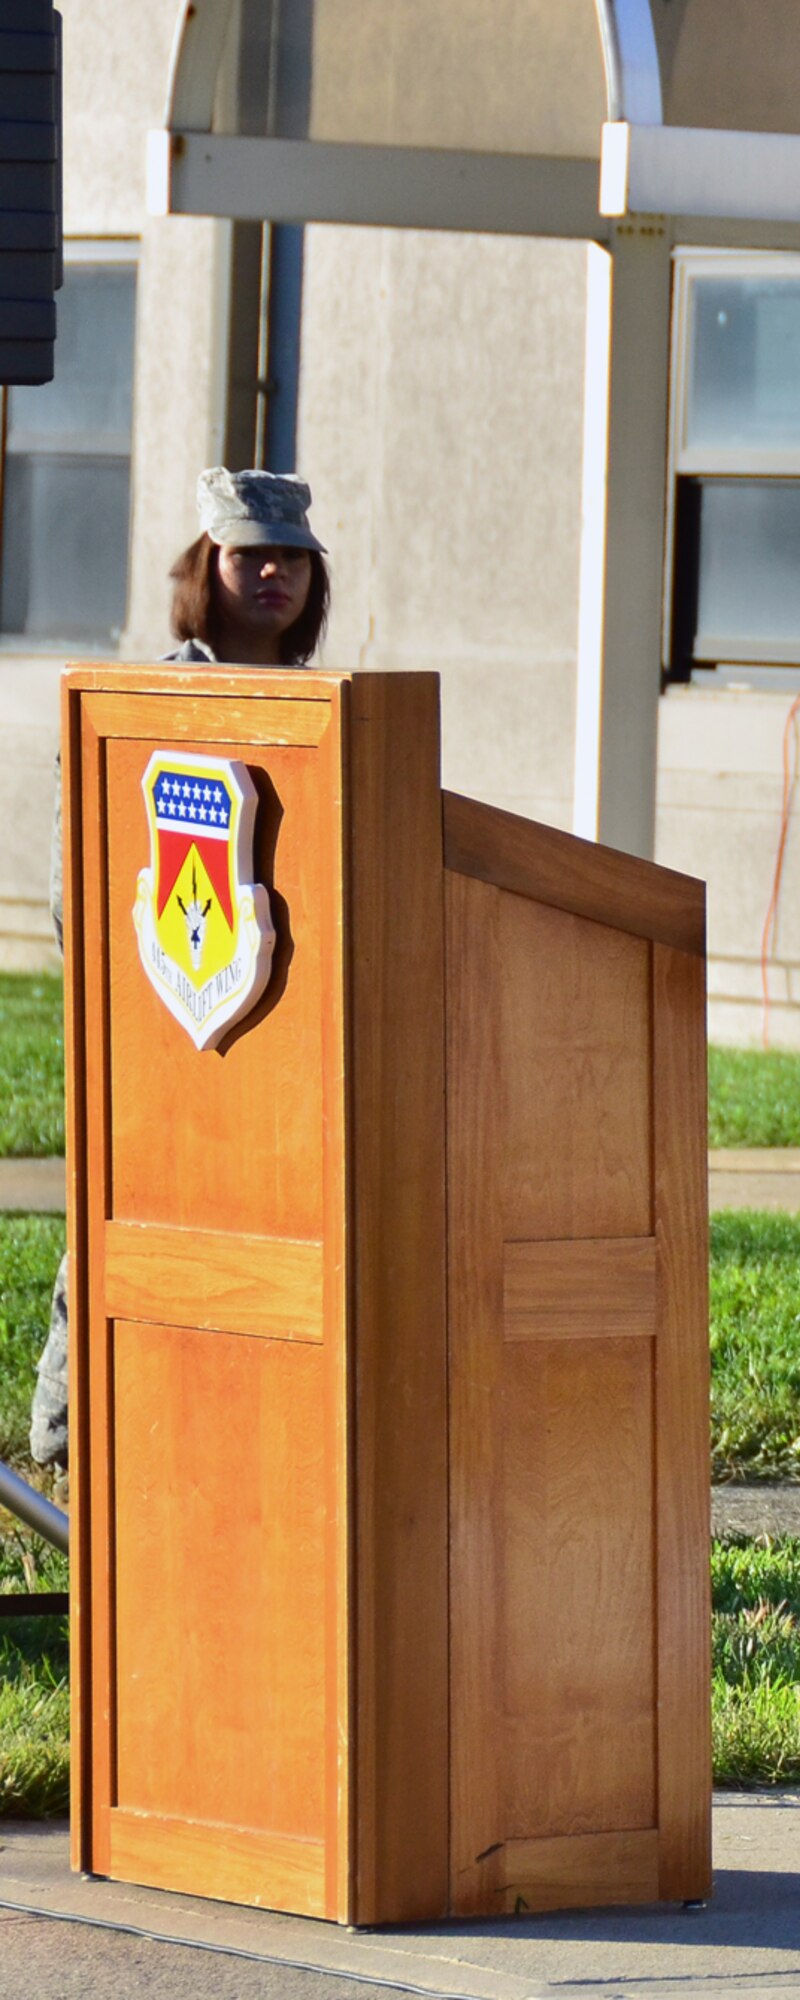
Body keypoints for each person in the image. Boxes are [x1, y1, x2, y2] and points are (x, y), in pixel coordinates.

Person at [30, 469, 329, 1473]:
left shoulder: (332, 717)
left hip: (293, 1036)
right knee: (128, 1218)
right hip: (163, 1022)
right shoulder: (141, 708)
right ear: (207, 566)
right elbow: (86, 889)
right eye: (252, 553)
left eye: (293, 556)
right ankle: (68, 1451)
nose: (275, 571)